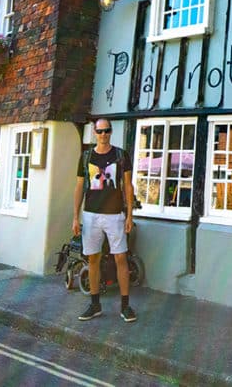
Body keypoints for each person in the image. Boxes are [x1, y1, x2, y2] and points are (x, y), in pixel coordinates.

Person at [72, 118, 137, 322]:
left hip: (115, 215)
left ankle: (125, 306)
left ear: (111, 132)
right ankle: (94, 304)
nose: (103, 134)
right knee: (93, 259)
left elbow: (128, 186)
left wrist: (129, 215)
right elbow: (79, 187)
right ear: (95, 133)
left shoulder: (121, 155)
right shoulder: (86, 157)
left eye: (107, 131)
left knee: (121, 258)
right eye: (100, 131)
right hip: (91, 214)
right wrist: (75, 217)